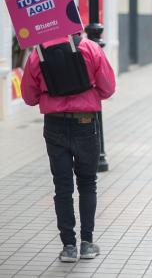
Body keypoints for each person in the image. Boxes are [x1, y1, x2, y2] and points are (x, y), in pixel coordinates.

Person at [21, 34, 116, 262]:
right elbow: (108, 88)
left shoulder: (38, 53)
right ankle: (86, 243)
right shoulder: (90, 48)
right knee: (87, 183)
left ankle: (68, 247)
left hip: (54, 124)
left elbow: (28, 96)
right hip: (85, 123)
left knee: (62, 187)